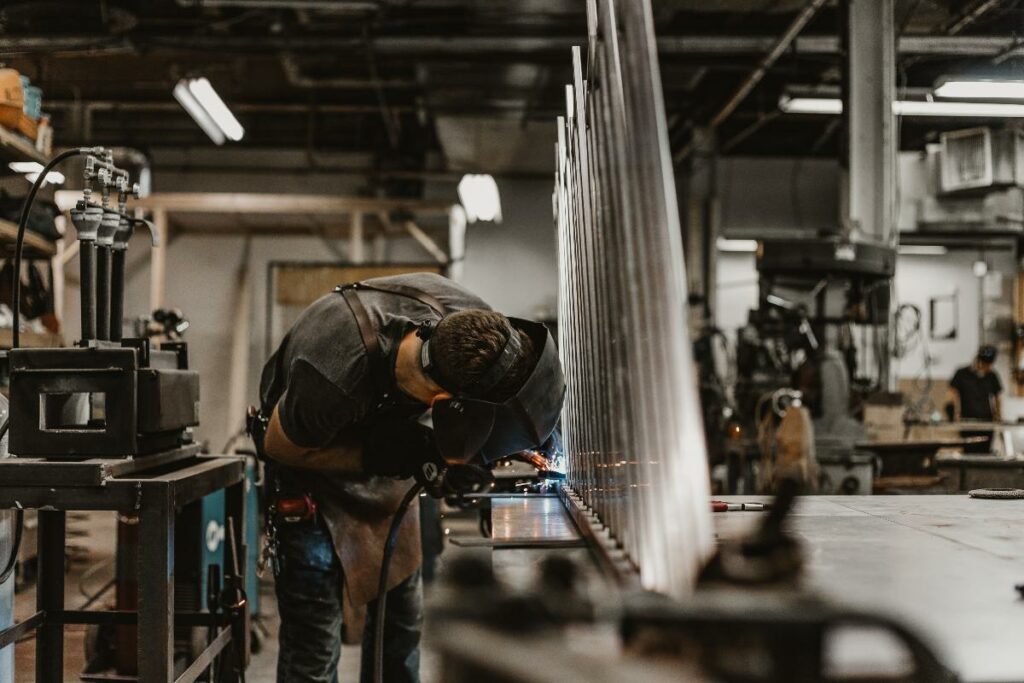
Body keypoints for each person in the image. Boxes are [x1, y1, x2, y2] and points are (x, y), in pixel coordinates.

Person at [253, 272, 564, 683]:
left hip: (390, 472)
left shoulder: (477, 328)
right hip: (310, 475)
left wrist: (531, 440)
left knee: (399, 633)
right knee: (315, 650)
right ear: (445, 404)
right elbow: (280, 446)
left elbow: (506, 397)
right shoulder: (333, 374)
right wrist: (384, 455)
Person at [948, 345, 1002, 453]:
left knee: (984, 451)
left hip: (986, 421)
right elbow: (953, 393)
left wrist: (998, 414)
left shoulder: (992, 376)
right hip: (967, 419)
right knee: (969, 449)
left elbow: (997, 396)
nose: (986, 367)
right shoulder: (962, 374)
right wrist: (956, 411)